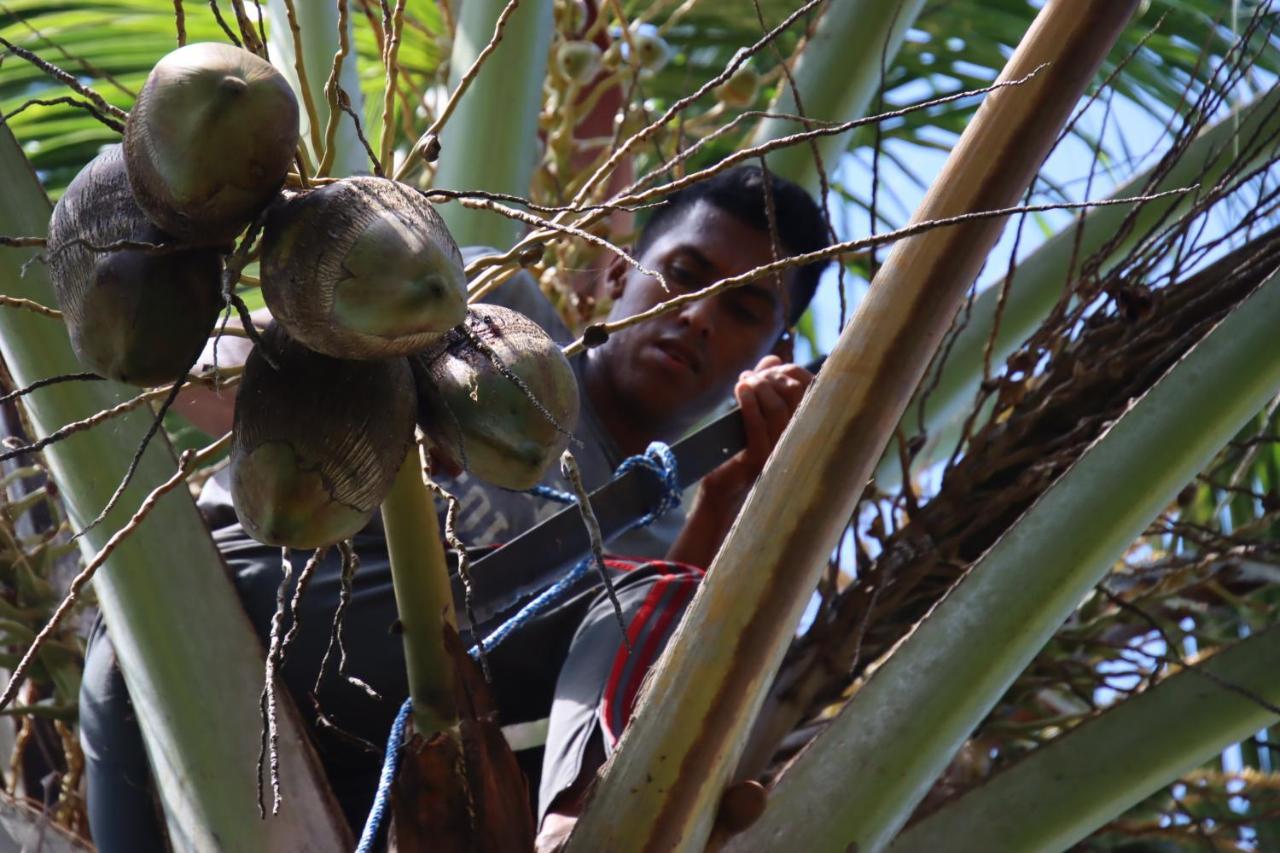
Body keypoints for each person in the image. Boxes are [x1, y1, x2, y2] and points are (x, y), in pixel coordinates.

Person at [77, 164, 831, 850]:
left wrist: (734, 492)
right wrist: (384, 402)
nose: (699, 314)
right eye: (684, 274)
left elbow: (655, 685)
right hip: (192, 639)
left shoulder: (671, 544)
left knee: (668, 594)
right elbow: (216, 391)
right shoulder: (493, 310)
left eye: (741, 308)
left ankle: (581, 826)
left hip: (347, 790)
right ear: (613, 272)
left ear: (774, 346)